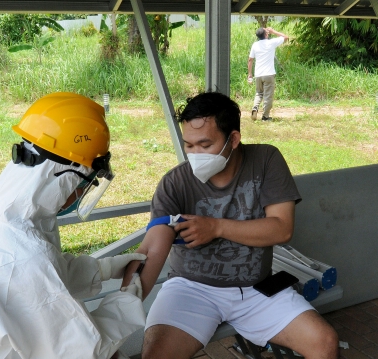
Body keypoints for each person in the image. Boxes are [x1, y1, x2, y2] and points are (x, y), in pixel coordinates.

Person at [122, 92, 339, 359]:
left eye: (205, 144)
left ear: (233, 139)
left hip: (256, 287)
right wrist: (120, 310)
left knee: (324, 343)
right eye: (189, 145)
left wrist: (216, 227)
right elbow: (152, 248)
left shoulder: (265, 160)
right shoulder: (175, 183)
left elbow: (282, 229)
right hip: (191, 288)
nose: (195, 155)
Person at [0, 92, 147, 359]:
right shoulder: (23, 256)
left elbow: (46, 280)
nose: (80, 192)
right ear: (64, 176)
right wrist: (126, 300)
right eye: (85, 183)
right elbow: (84, 351)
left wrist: (103, 269)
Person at [247, 27, 289, 121]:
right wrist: (274, 31)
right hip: (269, 74)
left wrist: (249, 74)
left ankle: (255, 108)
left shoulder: (255, 45)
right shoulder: (271, 43)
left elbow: (250, 60)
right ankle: (265, 116)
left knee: (259, 93)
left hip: (258, 74)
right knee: (268, 95)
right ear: (266, 34)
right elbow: (286, 37)